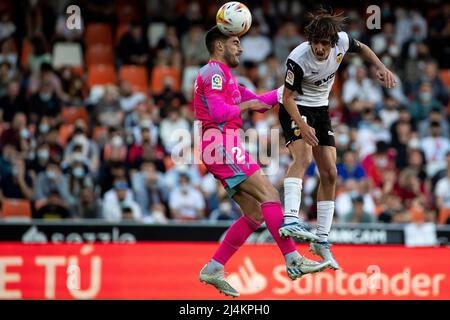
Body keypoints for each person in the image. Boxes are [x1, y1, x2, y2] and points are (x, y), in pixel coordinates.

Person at [194, 26, 329, 298]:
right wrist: (246, 106)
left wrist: (289, 90)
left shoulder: (228, 78)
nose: (241, 48)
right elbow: (220, 113)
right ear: (219, 46)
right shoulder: (212, 73)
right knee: (270, 195)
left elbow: (260, 102)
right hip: (220, 142)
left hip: (221, 146)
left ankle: (214, 267)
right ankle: (292, 259)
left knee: (255, 213)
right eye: (235, 42)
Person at [277, 8, 397, 270]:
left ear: (333, 42)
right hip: (295, 108)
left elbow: (363, 47)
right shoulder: (298, 59)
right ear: (310, 42)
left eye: (324, 44)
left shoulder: (342, 40)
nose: (319, 49)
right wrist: (302, 126)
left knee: (330, 173)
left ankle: (321, 239)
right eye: (316, 43)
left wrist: (380, 67)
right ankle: (290, 219)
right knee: (304, 157)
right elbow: (286, 98)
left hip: (320, 110)